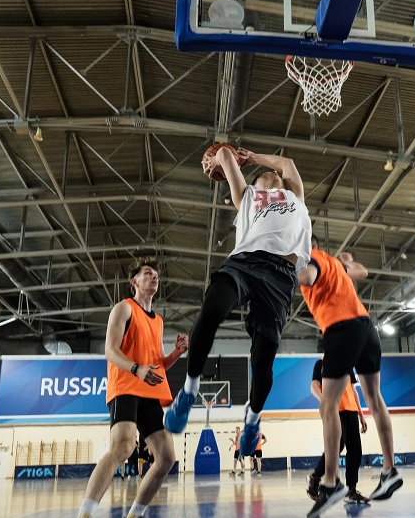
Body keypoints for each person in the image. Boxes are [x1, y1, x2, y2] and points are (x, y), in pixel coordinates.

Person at [165, 147, 312, 459]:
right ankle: (189, 391)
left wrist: (254, 157)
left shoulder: (295, 196)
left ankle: (253, 419)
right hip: (243, 263)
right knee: (211, 309)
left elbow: (287, 163)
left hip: (280, 276)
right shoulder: (247, 196)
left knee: (262, 361)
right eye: (265, 174)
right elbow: (224, 154)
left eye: (275, 174)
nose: (272, 173)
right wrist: (218, 158)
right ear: (254, 183)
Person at [77, 257, 189, 518]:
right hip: (125, 385)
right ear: (134, 281)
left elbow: (157, 365)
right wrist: (137, 369)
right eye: (147, 273)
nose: (154, 276)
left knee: (166, 457)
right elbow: (110, 350)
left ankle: (135, 514)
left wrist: (176, 353)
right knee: (123, 447)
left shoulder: (158, 320)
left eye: (156, 274)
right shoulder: (124, 308)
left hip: (150, 393)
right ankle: (85, 514)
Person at [299, 237, 403, 518]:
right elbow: (362, 271)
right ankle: (390, 470)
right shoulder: (334, 263)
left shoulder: (308, 259)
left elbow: (307, 275)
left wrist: (280, 270)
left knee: (327, 405)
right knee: (374, 398)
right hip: (367, 328)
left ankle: (330, 482)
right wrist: (347, 261)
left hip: (341, 328)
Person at [306, 359, 369, 505]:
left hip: (351, 411)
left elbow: (353, 390)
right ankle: (315, 477)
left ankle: (351, 491)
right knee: (337, 446)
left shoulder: (347, 363)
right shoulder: (321, 363)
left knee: (356, 450)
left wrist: (361, 414)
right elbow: (314, 386)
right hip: (335, 409)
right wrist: (324, 400)